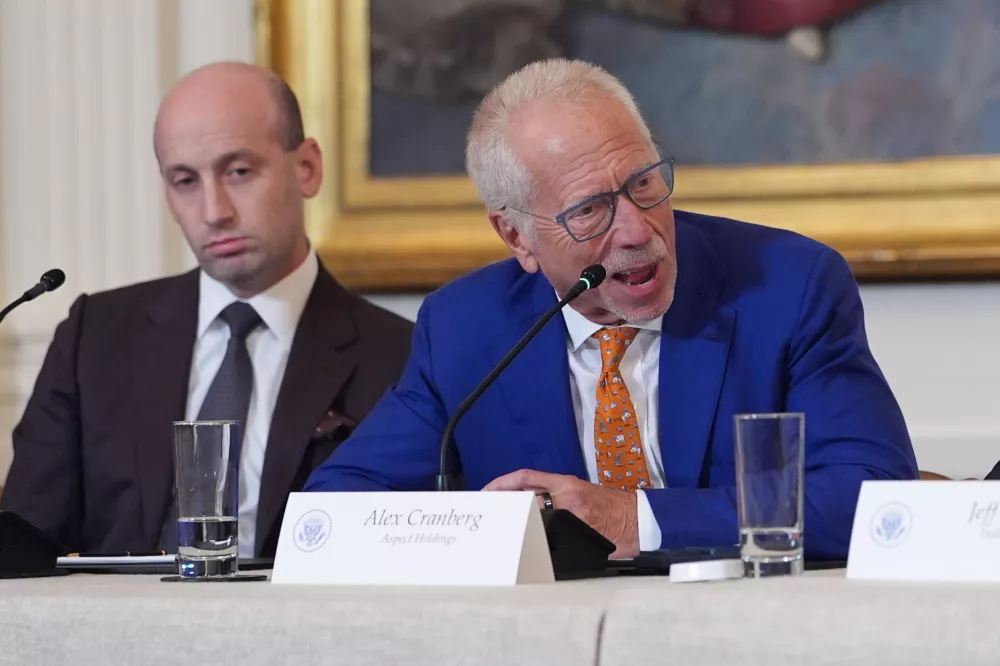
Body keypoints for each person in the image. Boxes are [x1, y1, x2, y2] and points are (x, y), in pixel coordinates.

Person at [303, 58, 918, 560]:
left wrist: (639, 518)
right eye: (589, 210)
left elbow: (876, 494)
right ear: (517, 237)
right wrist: (476, 532)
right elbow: (335, 508)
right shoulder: (466, 328)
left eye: (644, 183)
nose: (635, 230)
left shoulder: (789, 286)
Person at [0, 62, 414, 558]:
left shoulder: (402, 356)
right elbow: (25, 544)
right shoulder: (96, 336)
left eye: (238, 171)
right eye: (184, 181)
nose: (215, 211)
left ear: (307, 168)